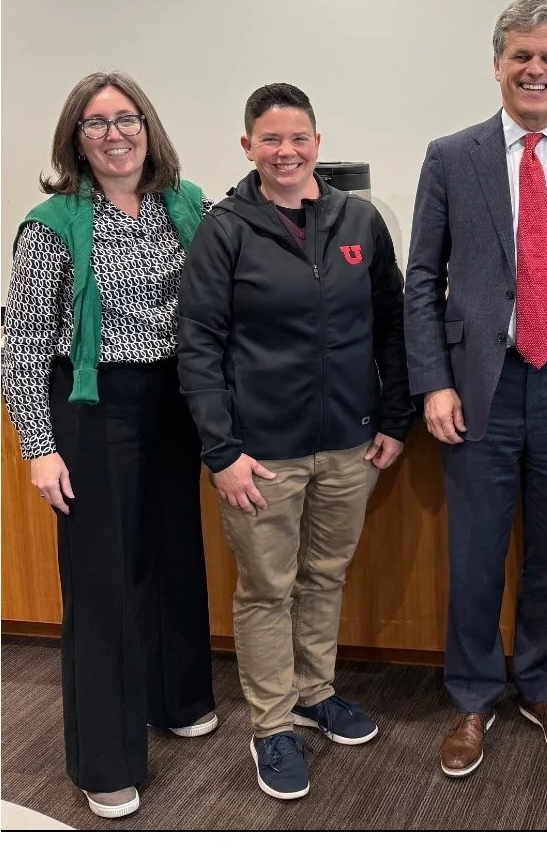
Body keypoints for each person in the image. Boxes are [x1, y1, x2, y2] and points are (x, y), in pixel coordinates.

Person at [406, 0, 547, 784]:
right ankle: (471, 697)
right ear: (497, 64)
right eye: (521, 57)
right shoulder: (451, 155)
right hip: (478, 390)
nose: (536, 70)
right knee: (477, 554)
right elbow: (422, 276)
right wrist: (432, 382)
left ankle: (541, 685)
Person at [175, 84, 411, 801]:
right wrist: (221, 451)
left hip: (349, 444)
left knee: (324, 575)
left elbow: (391, 325)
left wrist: (393, 419)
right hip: (260, 454)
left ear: (317, 141)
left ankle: (315, 692)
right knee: (267, 588)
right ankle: (273, 724)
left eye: (298, 138)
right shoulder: (226, 229)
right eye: (270, 140)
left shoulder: (360, 222)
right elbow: (198, 344)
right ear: (248, 147)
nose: (286, 152)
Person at [3, 71, 217, 820]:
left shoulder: (185, 204)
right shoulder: (52, 224)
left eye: (126, 119)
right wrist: (39, 445)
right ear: (76, 140)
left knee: (174, 553)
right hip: (94, 408)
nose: (115, 134)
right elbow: (24, 345)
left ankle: (178, 696)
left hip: (176, 402)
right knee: (102, 584)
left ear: (148, 128)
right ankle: (106, 757)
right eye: (96, 124)